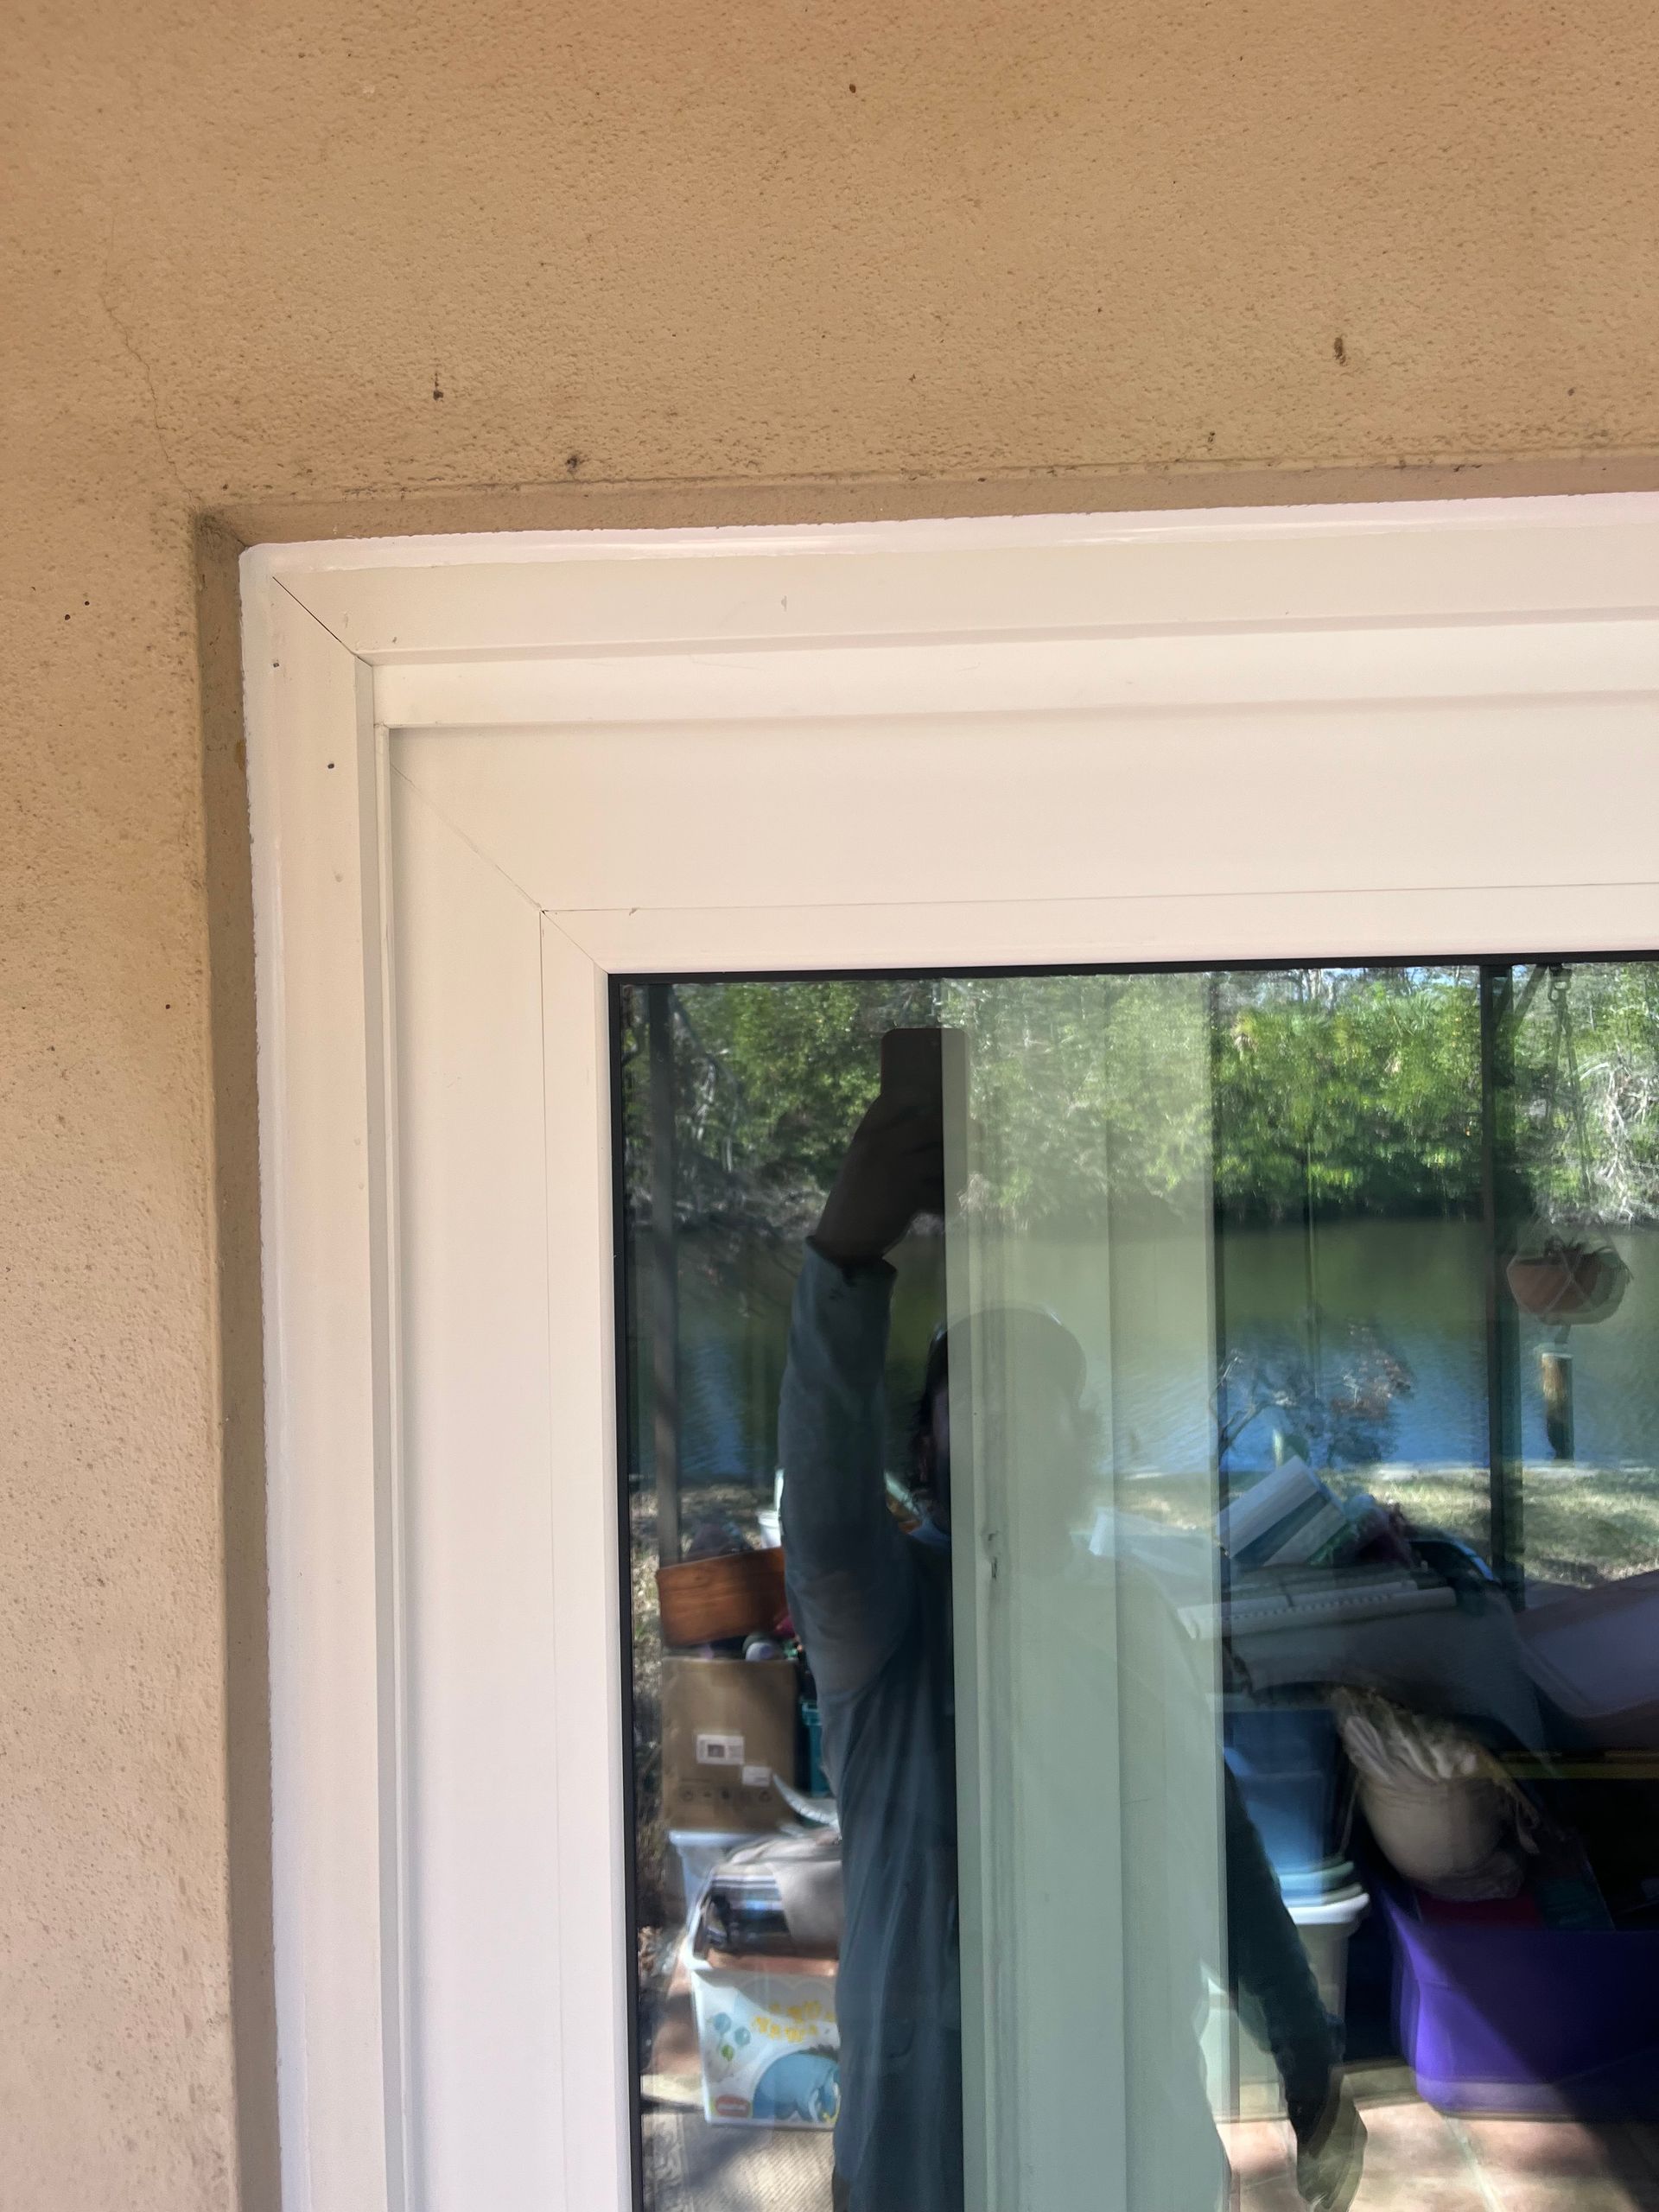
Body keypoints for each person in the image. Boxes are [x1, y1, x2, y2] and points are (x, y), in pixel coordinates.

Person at [780, 1083, 1364, 2212]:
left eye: (1040, 1397)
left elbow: (1218, 1845)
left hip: (1130, 2120)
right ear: (923, 1445)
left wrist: (1306, 2056)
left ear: (1085, 1437)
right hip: (938, 2143)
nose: (1010, 1417)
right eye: (977, 1400)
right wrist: (844, 1260)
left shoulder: (1127, 1617)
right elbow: (827, 1529)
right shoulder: (887, 1625)